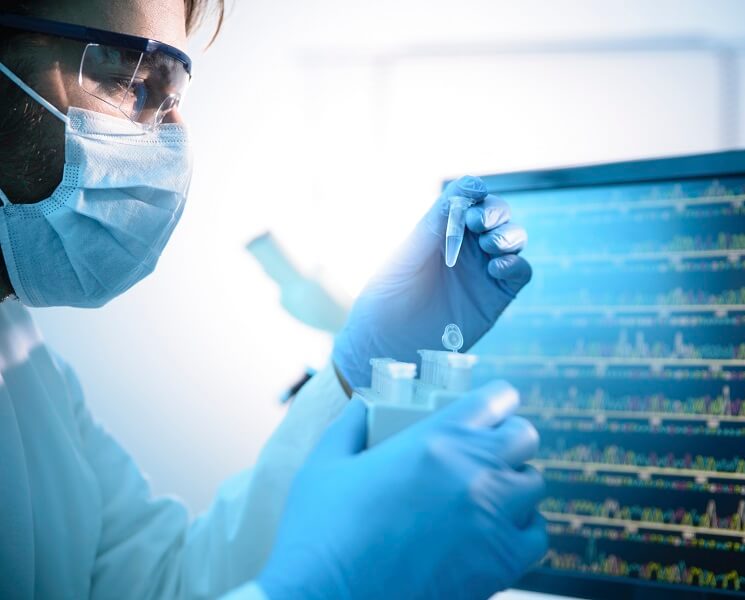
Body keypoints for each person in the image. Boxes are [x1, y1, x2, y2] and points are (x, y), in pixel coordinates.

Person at [0, 1, 547, 599]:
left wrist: (359, 370)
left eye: (172, 86)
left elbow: (166, 583)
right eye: (125, 76)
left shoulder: (28, 368)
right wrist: (316, 590)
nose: (173, 134)